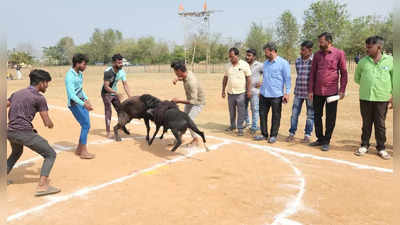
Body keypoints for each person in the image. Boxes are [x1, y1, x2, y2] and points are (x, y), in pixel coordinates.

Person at [7, 69, 60, 196]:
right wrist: (51, 124)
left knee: (16, 152)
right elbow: (46, 121)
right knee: (50, 154)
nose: (47, 86)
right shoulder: (39, 98)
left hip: (9, 131)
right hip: (23, 132)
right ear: (41, 83)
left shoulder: (17, 93)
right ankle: (42, 186)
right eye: (47, 83)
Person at [354, 36, 393, 160]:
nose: (367, 49)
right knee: (366, 123)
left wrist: (393, 96)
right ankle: (364, 145)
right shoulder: (362, 62)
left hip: (382, 98)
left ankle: (381, 148)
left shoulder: (390, 61)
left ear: (379, 47)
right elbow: (357, 78)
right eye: (367, 47)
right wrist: (368, 84)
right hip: (365, 97)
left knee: (380, 124)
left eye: (370, 47)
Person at [308, 32, 348, 151]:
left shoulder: (339, 53)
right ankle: (320, 139)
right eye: (319, 41)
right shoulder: (317, 55)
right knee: (317, 116)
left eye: (321, 41)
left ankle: (327, 140)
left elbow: (344, 73)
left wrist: (342, 90)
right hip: (317, 91)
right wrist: (310, 90)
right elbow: (312, 73)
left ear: (329, 42)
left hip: (332, 92)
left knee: (330, 117)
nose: (319, 44)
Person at [254, 42, 291, 144]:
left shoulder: (283, 63)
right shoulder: (265, 64)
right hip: (264, 94)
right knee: (262, 114)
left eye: (266, 52)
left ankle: (273, 135)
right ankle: (264, 134)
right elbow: (265, 78)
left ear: (272, 51)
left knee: (276, 115)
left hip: (276, 95)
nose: (265, 54)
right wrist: (261, 89)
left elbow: (287, 79)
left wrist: (287, 93)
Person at [65, 53, 95, 159]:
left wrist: (86, 99)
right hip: (75, 104)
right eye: (84, 64)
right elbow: (72, 95)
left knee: (86, 125)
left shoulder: (80, 74)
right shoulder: (69, 76)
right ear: (77, 63)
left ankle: (79, 149)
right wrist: (84, 104)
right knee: (86, 126)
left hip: (81, 102)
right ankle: (83, 151)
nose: (85, 66)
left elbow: (80, 89)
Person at [171, 60, 206, 146]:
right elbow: (183, 77)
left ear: (179, 71)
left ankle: (195, 139)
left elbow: (193, 101)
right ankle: (179, 138)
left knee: (189, 120)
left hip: (198, 102)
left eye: (175, 72)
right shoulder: (186, 73)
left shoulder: (191, 82)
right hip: (190, 101)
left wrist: (178, 100)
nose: (175, 73)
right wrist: (178, 79)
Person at [287, 41, 314, 143]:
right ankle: (291, 133)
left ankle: (307, 135)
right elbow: (299, 74)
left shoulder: (314, 61)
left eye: (303, 50)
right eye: (301, 49)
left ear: (310, 50)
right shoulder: (298, 61)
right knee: (294, 114)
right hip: (298, 92)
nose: (301, 52)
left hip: (310, 94)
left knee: (310, 115)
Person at [221, 47, 252, 136]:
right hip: (230, 93)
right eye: (229, 57)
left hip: (241, 93)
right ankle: (232, 125)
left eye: (232, 56)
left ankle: (240, 128)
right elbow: (225, 78)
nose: (230, 58)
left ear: (237, 56)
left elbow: (249, 78)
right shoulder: (227, 66)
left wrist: (248, 91)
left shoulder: (244, 65)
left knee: (241, 111)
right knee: (232, 111)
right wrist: (223, 90)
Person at [101, 53, 132, 138]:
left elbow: (125, 84)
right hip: (106, 94)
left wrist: (130, 97)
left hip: (114, 93)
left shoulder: (122, 72)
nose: (121, 64)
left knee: (121, 110)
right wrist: (116, 93)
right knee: (108, 111)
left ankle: (121, 126)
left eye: (121, 62)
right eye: (119, 63)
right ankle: (108, 132)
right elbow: (106, 87)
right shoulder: (108, 72)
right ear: (113, 63)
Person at [244, 49, 263, 134]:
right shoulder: (243, 65)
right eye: (246, 55)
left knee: (254, 109)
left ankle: (254, 126)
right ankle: (248, 123)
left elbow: (268, 74)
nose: (247, 57)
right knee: (243, 108)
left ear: (254, 57)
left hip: (254, 91)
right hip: (243, 90)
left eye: (249, 55)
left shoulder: (259, 65)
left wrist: (262, 83)